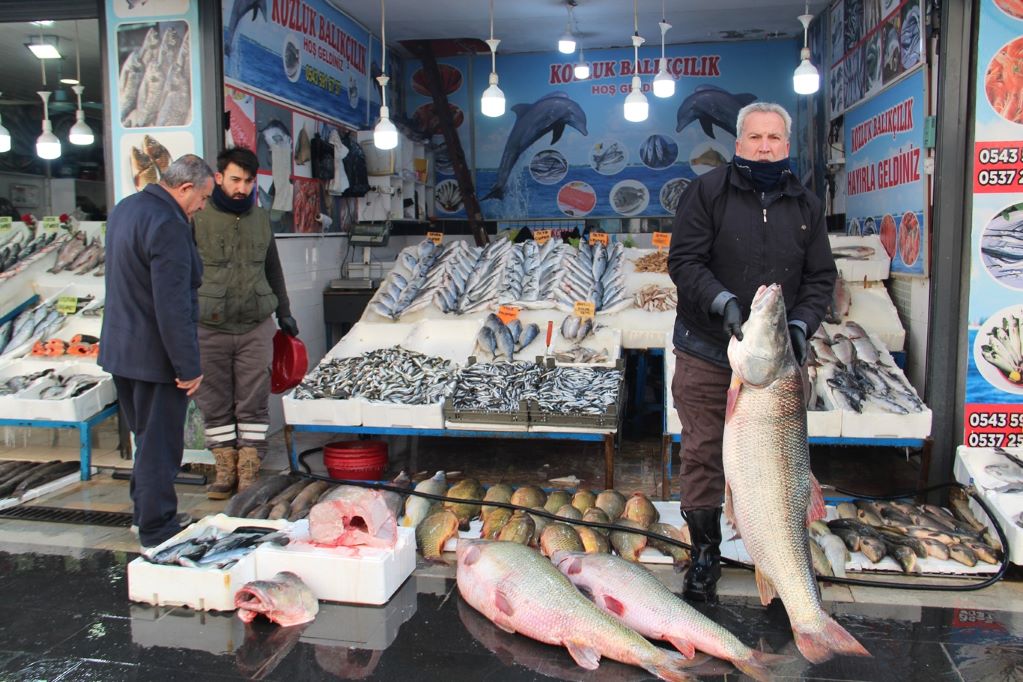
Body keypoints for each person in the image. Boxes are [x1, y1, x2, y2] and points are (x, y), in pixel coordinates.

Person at [668, 102, 836, 602]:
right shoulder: (707, 192)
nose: (765, 146)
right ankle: (704, 553)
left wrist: (803, 325)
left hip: (777, 363)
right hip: (705, 349)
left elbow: (820, 277)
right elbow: (685, 260)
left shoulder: (805, 204)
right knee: (702, 454)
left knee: (780, 464)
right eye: (756, 137)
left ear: (788, 146)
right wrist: (722, 304)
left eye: (775, 138)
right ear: (739, 144)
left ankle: (781, 556)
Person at [98, 154, 214, 550]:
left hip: (121, 351)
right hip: (154, 356)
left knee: (146, 440)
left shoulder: (126, 209)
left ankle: (144, 515)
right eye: (203, 197)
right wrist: (188, 366)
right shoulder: (168, 224)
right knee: (160, 447)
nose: (203, 206)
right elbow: (172, 304)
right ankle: (157, 529)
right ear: (185, 188)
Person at [192, 147, 298, 500]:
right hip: (208, 324)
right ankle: (224, 468)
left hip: (256, 323)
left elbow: (274, 268)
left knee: (253, 399)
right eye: (235, 179)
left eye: (248, 181)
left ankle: (250, 469)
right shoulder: (197, 216)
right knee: (214, 399)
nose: (242, 188)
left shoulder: (260, 218)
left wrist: (284, 311)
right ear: (218, 178)